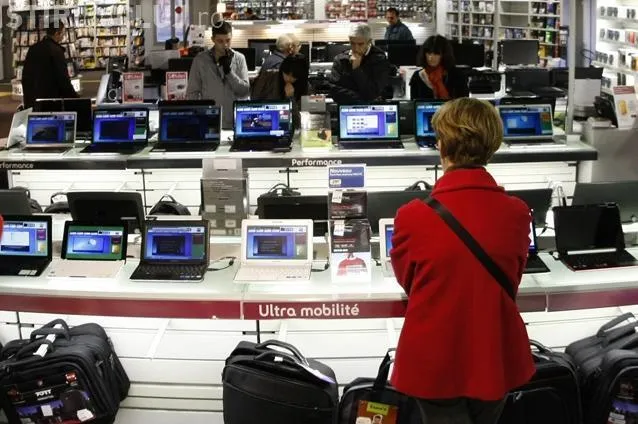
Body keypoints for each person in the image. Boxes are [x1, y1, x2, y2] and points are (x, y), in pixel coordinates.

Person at [390, 98, 535, 424]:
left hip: (433, 361)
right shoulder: (517, 212)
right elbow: (512, 279)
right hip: (494, 356)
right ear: (491, 145)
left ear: (443, 145)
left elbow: (410, 283)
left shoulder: (412, 216)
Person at [187, 20, 249, 129]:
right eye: (220, 41)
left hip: (234, 122)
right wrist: (196, 119)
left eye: (228, 40)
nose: (225, 45)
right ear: (213, 40)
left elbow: (244, 92)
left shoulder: (240, 58)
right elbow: (192, 93)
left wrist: (229, 73)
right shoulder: (200, 60)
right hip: (209, 121)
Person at [327, 24, 392, 104]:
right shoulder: (340, 60)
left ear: (369, 42)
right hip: (346, 108)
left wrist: (356, 69)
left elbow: (373, 93)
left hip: (371, 109)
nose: (356, 48)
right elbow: (334, 91)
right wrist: (363, 99)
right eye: (352, 43)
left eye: (360, 44)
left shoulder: (379, 60)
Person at [21, 20, 78, 109]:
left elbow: (26, 76)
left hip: (33, 99)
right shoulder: (56, 51)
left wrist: (27, 99)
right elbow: (63, 79)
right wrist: (74, 98)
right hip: (51, 100)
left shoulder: (33, 48)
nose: (63, 37)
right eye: (63, 33)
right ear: (57, 33)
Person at [251, 54, 308, 128]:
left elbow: (297, 122)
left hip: (288, 126)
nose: (289, 78)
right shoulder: (267, 77)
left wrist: (291, 98)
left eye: (294, 76)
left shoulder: (303, 86)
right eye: (286, 73)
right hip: (265, 122)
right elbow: (254, 103)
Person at [410, 35, 468, 100]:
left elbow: (465, 102)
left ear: (444, 54)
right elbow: (413, 104)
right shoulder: (417, 76)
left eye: (436, 54)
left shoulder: (457, 75)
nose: (431, 57)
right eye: (429, 53)